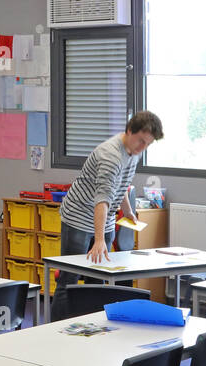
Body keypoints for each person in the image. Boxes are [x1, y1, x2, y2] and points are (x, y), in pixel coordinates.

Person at [55, 111, 163, 315]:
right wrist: (99, 240)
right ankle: (57, 328)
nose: (143, 148)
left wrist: (128, 210)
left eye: (148, 144)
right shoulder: (111, 156)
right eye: (141, 141)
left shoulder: (133, 152)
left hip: (103, 219)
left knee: (97, 279)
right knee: (69, 279)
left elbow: (120, 184)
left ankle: (90, 327)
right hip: (79, 216)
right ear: (129, 131)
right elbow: (102, 199)